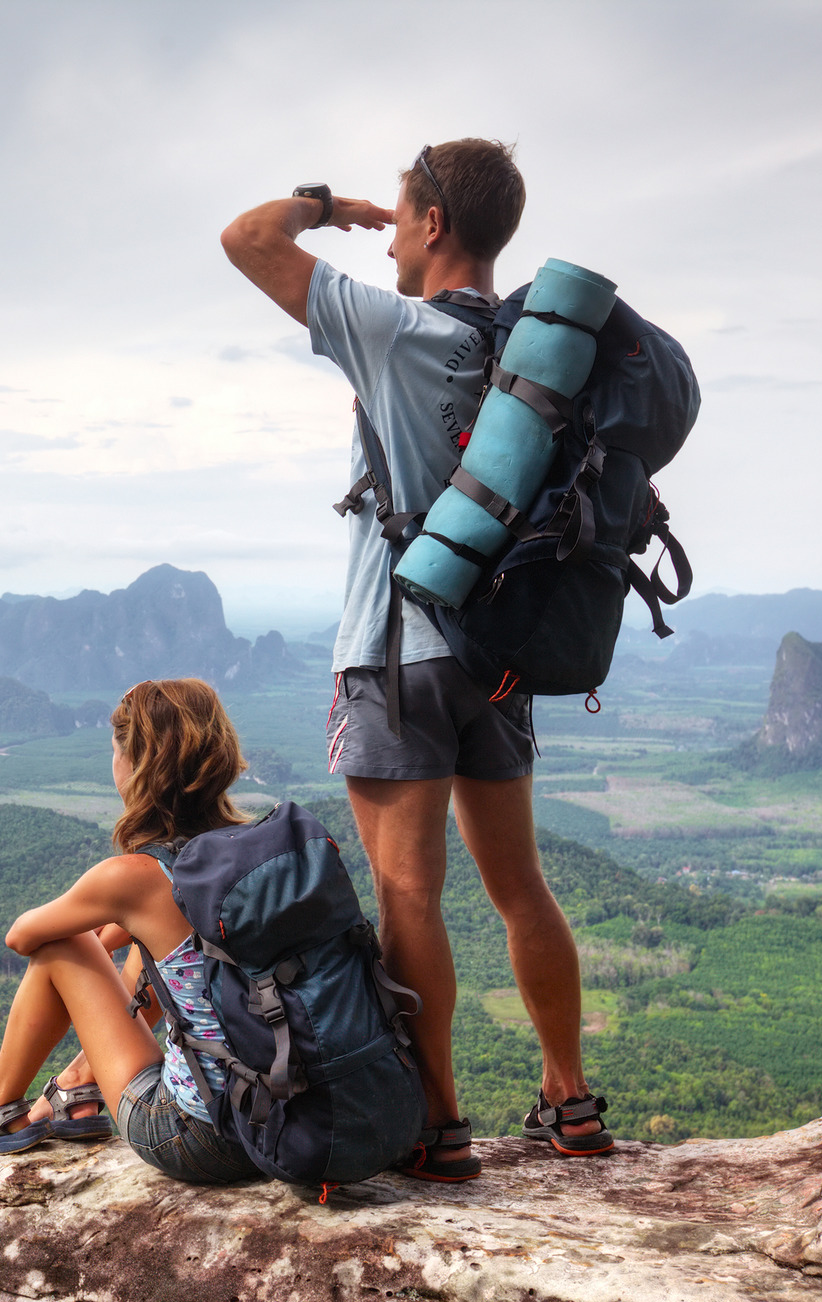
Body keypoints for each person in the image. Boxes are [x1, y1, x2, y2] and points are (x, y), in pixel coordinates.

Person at [216, 140, 610, 1180]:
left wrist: (325, 204)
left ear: (433, 226)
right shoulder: (534, 354)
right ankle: (570, 1099)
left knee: (409, 897)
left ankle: (436, 1124)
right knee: (521, 884)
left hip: (396, 653)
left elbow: (245, 239)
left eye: (398, 217)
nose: (385, 236)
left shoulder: (397, 330)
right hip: (499, 653)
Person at [0, 679, 261, 1184]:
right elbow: (159, 930)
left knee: (63, 942)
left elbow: (22, 937)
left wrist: (96, 945)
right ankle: (77, 1085)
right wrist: (125, 932)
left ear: (135, 764)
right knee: (152, 945)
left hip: (205, 1138)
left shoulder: (134, 877)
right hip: (296, 1122)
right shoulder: (256, 848)